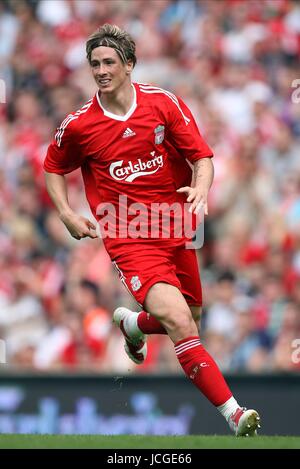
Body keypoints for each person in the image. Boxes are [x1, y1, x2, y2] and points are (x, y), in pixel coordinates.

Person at [44, 24, 260, 436]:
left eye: (109, 62)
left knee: (192, 316)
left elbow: (202, 157)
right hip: (128, 236)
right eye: (95, 64)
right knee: (181, 321)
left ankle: (133, 325)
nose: (101, 70)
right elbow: (52, 167)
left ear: (129, 65)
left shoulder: (163, 104)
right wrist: (66, 214)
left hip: (177, 228)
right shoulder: (79, 125)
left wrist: (199, 188)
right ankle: (234, 413)